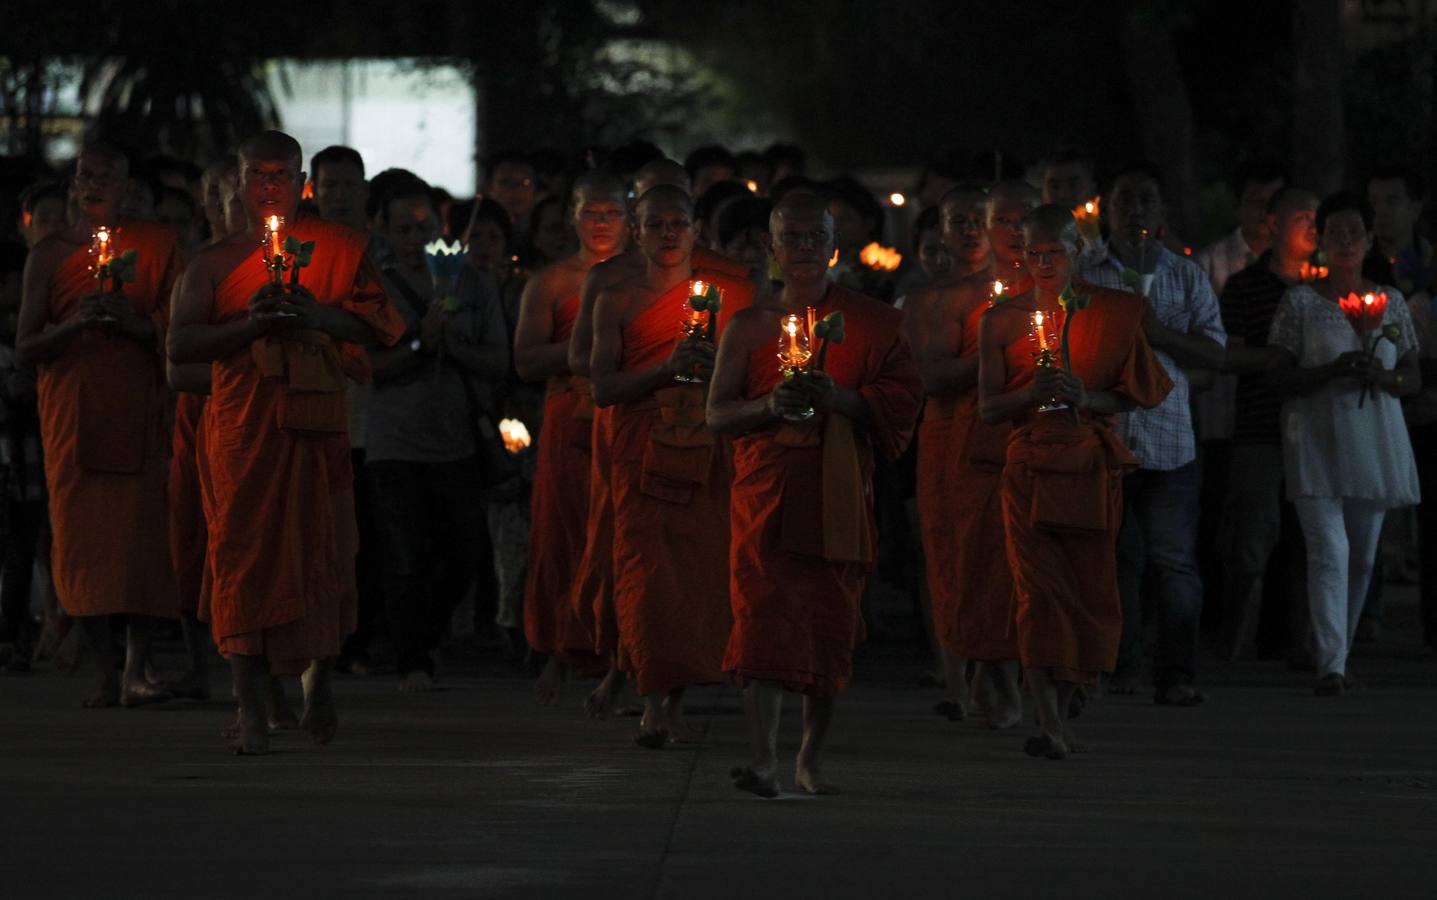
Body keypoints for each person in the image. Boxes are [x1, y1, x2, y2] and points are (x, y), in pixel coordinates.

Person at [168, 130, 405, 753]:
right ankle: (251, 708)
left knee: (325, 560)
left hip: (317, 430)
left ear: (302, 182)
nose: (269, 186)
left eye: (281, 175)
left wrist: (316, 314)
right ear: (238, 182)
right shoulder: (213, 264)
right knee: (241, 564)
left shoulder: (338, 247)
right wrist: (252, 325)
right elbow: (179, 348)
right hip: (244, 435)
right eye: (256, 174)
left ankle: (318, 681)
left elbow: (383, 328)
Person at [709, 191, 922, 796]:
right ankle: (762, 760)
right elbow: (718, 414)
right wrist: (766, 405)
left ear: (833, 247)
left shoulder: (874, 321)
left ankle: (811, 756)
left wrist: (843, 398)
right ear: (771, 249)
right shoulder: (749, 326)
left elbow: (904, 403)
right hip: (767, 493)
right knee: (759, 621)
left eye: (814, 237)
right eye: (790, 237)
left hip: (835, 489)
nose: (803, 247)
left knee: (829, 621)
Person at [979, 205, 1172, 757]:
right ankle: (1047, 723)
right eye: (1032, 253)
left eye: (1054, 252)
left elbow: (1136, 393)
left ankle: (1064, 705)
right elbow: (991, 409)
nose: (1042, 263)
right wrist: (1030, 394)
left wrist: (1084, 397)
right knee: (1038, 594)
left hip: (1088, 466)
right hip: (1030, 467)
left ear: (1078, 249)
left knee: (1086, 590)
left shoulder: (1111, 311)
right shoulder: (1002, 318)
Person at [566, 158, 753, 718]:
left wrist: (718, 366)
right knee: (638, 570)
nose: (668, 233)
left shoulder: (732, 289)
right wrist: (667, 368)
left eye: (679, 223)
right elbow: (597, 380)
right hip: (637, 445)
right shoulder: (613, 291)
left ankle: (663, 688)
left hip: (705, 445)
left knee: (693, 574)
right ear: (636, 228)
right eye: (656, 224)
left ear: (697, 229)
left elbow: (755, 366)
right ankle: (644, 688)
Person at [16, 142, 181, 707]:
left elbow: (176, 327)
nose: (92, 185)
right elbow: (26, 345)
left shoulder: (157, 245)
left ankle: (139, 666)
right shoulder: (50, 253)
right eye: (84, 175)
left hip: (138, 411)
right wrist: (75, 325)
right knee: (81, 548)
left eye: (105, 177)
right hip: (74, 414)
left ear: (127, 186)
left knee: (141, 545)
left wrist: (137, 326)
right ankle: (106, 672)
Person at [1079, 164, 1226, 705]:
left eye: (1146, 200)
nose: (1135, 209)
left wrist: (1160, 335)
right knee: (1116, 558)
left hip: (1169, 441)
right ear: (1105, 210)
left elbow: (1215, 351)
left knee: (1174, 561)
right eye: (1124, 200)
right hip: (1106, 437)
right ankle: (1122, 664)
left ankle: (1178, 671)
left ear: (1162, 212)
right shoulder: (1087, 275)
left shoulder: (1184, 276)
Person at [1264, 191, 1421, 695]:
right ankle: (1331, 663)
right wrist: (1330, 370)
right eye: (1336, 232)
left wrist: (1387, 377)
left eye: (1356, 232)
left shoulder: (1390, 301)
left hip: (1373, 437)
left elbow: (1413, 374)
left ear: (1370, 240)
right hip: (1316, 436)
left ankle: (1339, 648)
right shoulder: (1302, 302)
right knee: (1328, 548)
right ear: (1322, 242)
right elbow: (1278, 372)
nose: (1347, 241)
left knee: (1363, 556)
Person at [366, 173, 509, 692]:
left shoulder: (472, 281)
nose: (413, 239)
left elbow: (498, 361)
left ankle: (425, 636)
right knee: (404, 555)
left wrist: (454, 347)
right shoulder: (374, 285)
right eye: (401, 228)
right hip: (395, 441)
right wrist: (419, 345)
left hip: (456, 441)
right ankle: (412, 659)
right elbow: (365, 366)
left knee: (465, 553)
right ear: (382, 229)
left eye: (422, 227)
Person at [909, 181, 1038, 725]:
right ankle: (976, 677)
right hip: (955, 445)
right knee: (963, 560)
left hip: (1020, 435)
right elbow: (931, 378)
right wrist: (996, 350)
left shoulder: (1036, 288)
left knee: (1017, 562)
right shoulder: (936, 300)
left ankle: (1010, 676)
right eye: (958, 221)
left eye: (981, 220)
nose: (972, 230)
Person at [515, 171, 628, 705]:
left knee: (620, 535)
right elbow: (524, 359)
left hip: (627, 414)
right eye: (591, 212)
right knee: (561, 533)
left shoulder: (643, 279)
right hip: (569, 415)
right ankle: (559, 649)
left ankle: (622, 652)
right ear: (572, 216)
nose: (601, 223)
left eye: (612, 212)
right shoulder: (552, 281)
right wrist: (590, 348)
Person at [1214, 188, 1319, 659]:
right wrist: (1277, 361)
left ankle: (1296, 641)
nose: (1313, 227)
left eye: (1317, 217)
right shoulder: (1245, 286)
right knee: (1251, 541)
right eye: (1301, 217)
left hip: (1316, 432)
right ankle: (1230, 638)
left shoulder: (1327, 289)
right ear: (1273, 224)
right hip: (1260, 429)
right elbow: (1229, 355)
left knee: (1308, 539)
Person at [1196, 162, 1286, 296]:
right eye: (1256, 201)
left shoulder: (1299, 260)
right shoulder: (1210, 264)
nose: (1266, 210)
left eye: (1274, 202)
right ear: (1237, 205)